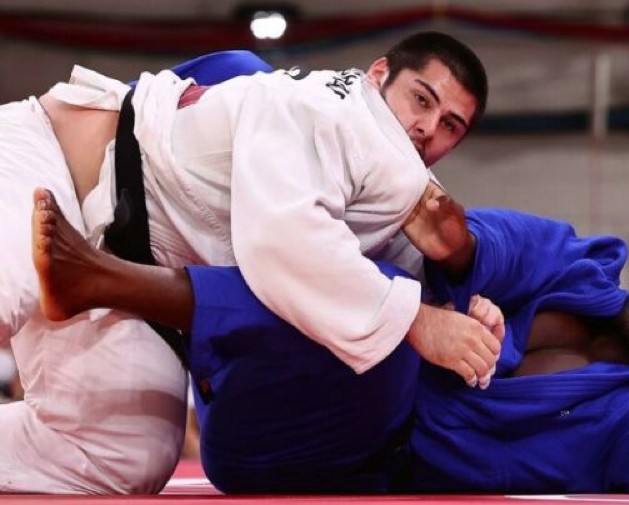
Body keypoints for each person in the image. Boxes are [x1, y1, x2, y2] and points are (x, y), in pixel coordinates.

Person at [30, 188, 629, 498]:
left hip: (309, 455)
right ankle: (130, 231)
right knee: (382, 290)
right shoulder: (578, 264)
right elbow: (493, 244)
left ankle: (105, 279)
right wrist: (460, 250)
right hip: (267, 367)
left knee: (393, 329)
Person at [1, 32, 498, 494]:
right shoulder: (327, 110)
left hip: (113, 263)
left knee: (125, 452)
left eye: (450, 125)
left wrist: (464, 314)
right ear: (379, 74)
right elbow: (285, 243)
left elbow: (394, 274)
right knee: (7, 289)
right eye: (421, 99)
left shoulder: (400, 189)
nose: (427, 128)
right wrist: (417, 320)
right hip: (49, 163)